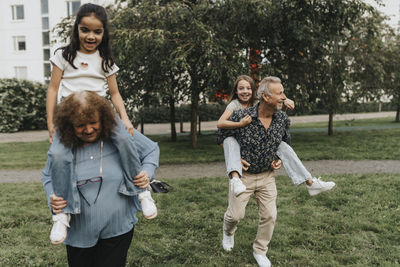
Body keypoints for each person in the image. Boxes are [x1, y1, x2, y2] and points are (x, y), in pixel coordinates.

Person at [45, 3, 157, 245]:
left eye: (97, 31)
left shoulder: (105, 59)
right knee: (58, 156)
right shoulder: (63, 55)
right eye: (85, 30)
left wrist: (125, 119)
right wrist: (50, 122)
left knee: (126, 140)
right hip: (70, 115)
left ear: (104, 33)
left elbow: (115, 94)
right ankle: (62, 214)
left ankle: (142, 192)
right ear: (77, 30)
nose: (91, 36)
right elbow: (53, 89)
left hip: (101, 112)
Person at [42, 91, 160, 266]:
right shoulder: (64, 147)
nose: (88, 129)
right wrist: (52, 195)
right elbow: (48, 175)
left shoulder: (120, 136)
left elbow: (151, 150)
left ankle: (144, 195)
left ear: (102, 118)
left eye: (93, 123)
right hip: (79, 231)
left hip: (117, 227)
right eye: (80, 125)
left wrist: (147, 172)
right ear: (69, 125)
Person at [217, 76, 316, 266]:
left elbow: (284, 142)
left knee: (270, 216)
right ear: (265, 97)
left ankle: (260, 251)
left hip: (267, 177)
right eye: (279, 94)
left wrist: (278, 159)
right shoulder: (241, 116)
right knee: (235, 216)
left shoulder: (282, 119)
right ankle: (228, 232)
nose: (284, 97)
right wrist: (235, 158)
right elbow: (223, 135)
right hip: (244, 178)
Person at [217, 75, 335, 197]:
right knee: (229, 140)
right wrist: (240, 126)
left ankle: (310, 183)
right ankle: (235, 180)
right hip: (241, 148)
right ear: (236, 91)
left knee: (283, 145)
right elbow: (220, 127)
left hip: (260, 147)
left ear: (254, 92)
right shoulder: (235, 106)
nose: (245, 91)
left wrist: (284, 102)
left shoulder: (257, 103)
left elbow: (274, 111)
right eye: (241, 88)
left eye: (249, 88)